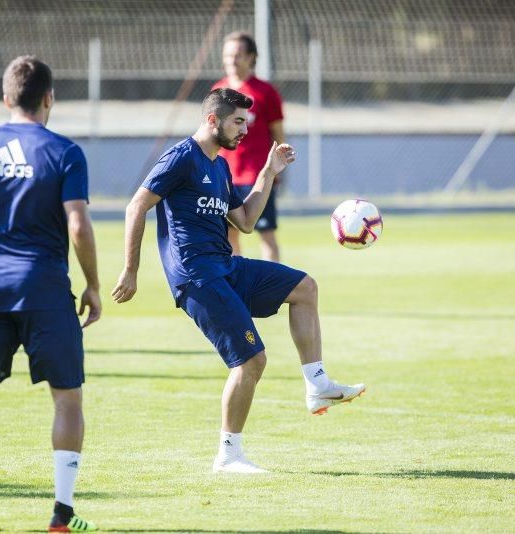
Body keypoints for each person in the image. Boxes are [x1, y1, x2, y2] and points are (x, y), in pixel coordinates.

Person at [112, 88, 365, 474]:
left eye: (246, 122)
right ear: (213, 120)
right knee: (251, 360)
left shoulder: (220, 166)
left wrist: (268, 173)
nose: (245, 130)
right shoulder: (181, 158)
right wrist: (130, 269)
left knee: (305, 288)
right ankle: (228, 456)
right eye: (238, 122)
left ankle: (317, 384)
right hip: (196, 277)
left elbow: (245, 222)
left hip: (225, 267)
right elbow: (137, 205)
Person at [0, 55, 100, 532]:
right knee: (67, 400)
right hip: (46, 290)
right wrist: (91, 283)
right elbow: (78, 224)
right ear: (49, 98)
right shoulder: (65, 151)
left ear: (5, 98)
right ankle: (61, 514)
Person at [212, 31, 285, 262]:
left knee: (266, 234)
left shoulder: (265, 92)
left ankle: (271, 290)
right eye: (228, 55)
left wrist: (278, 169)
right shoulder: (219, 91)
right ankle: (237, 286)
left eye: (238, 55)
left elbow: (278, 134)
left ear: (251, 57)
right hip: (226, 177)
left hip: (257, 176)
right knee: (229, 236)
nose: (232, 61)